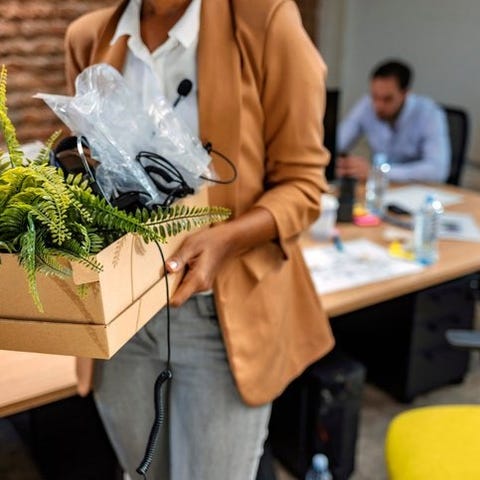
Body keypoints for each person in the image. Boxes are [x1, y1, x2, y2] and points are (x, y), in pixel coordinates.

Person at [64, 1, 334, 479]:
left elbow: (304, 184)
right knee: (141, 473)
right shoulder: (89, 38)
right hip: (121, 317)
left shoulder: (264, 21)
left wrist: (226, 239)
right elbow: (87, 170)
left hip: (217, 315)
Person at [336, 59, 451, 183]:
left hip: (413, 190)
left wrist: (377, 172)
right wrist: (343, 165)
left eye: (387, 99)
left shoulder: (429, 113)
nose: (378, 106)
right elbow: (336, 143)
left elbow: (437, 170)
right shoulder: (366, 105)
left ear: (405, 94)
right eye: (375, 97)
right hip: (378, 189)